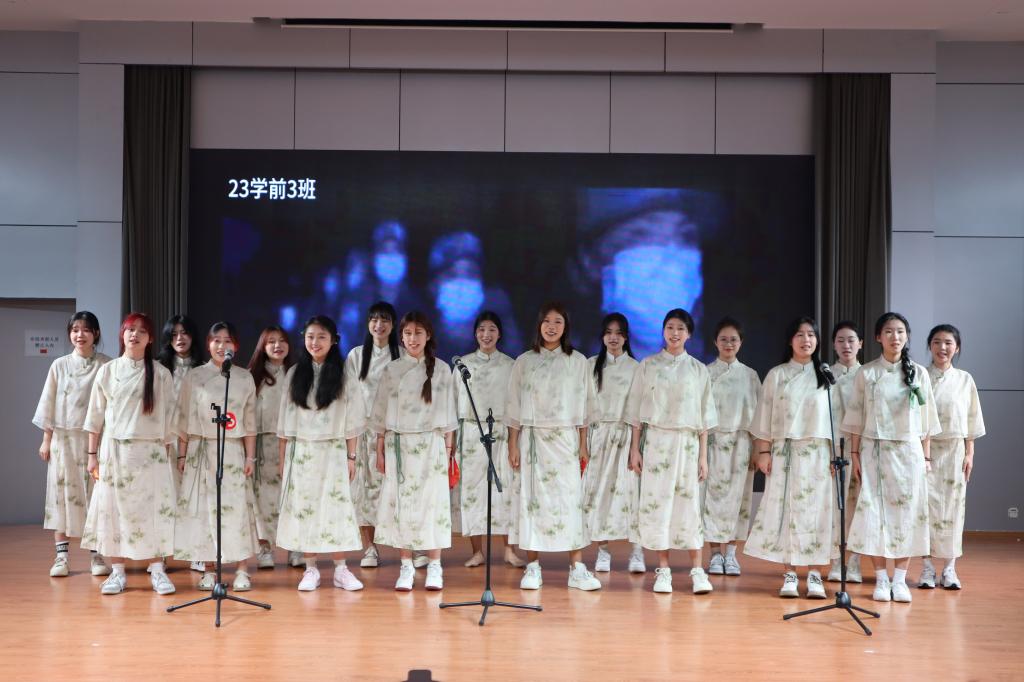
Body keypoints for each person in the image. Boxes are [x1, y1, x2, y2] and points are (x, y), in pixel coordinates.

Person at [844, 312, 940, 603]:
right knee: (874, 515)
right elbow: (856, 418)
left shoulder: (919, 373)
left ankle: (899, 579)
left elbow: (927, 423)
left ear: (907, 336)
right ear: (878, 337)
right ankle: (881, 578)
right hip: (874, 451)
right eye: (888, 331)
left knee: (906, 515)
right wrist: (855, 454)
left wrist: (926, 458)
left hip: (908, 453)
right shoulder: (867, 373)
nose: (894, 337)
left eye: (900, 331)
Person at [507, 303, 602, 592]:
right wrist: (513, 443)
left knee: (570, 502)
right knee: (532, 501)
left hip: (565, 440)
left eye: (558, 321)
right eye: (547, 321)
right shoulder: (524, 361)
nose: (551, 327)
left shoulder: (578, 361)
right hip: (533, 440)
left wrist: (583, 444)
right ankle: (533, 566)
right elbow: (513, 406)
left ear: (565, 327)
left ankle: (577, 568)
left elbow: (586, 406)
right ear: (539, 325)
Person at [80, 313, 177, 595]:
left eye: (142, 331)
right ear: (122, 334)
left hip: (152, 452)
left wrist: (167, 455)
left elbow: (171, 418)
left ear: (150, 339)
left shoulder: (161, 374)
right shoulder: (108, 371)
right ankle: (118, 572)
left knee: (155, 510)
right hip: (115, 451)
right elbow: (95, 417)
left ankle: (158, 570)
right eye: (130, 330)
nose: (135, 335)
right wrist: (92, 454)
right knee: (113, 510)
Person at [744, 317, 837, 599]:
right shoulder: (777, 375)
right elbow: (763, 415)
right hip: (785, 451)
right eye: (799, 334)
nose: (806, 340)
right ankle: (790, 574)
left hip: (818, 453)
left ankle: (815, 574)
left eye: (811, 335)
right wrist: (763, 451)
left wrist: (835, 456)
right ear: (790, 340)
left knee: (818, 512)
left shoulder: (826, 375)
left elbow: (836, 419)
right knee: (786, 511)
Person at [626, 308, 717, 594]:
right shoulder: (648, 365)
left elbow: (704, 417)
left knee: (689, 507)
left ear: (689, 334)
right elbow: (635, 413)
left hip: (687, 445)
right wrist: (635, 449)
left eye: (680, 328)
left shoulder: (698, 370)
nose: (674, 333)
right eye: (670, 327)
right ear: (663, 331)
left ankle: (697, 571)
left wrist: (703, 457)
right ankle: (663, 570)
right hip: (656, 443)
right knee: (658, 505)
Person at [277, 316, 365, 591]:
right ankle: (310, 568)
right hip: (302, 451)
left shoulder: (344, 373)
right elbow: (284, 422)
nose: (315, 342)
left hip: (333, 451)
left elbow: (353, 420)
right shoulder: (294, 373)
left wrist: (352, 457)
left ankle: (341, 569)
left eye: (322, 337)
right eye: (310, 336)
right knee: (305, 508)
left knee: (336, 508)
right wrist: (283, 460)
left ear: (334, 340)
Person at [372, 312, 457, 591]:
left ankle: (435, 565)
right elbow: (380, 413)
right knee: (403, 505)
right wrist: (380, 451)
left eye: (418, 333)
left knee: (432, 505)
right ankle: (406, 565)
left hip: (431, 445)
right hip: (399, 445)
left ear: (428, 335)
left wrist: (448, 451)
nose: (412, 339)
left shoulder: (442, 369)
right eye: (407, 333)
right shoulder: (392, 369)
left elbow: (449, 416)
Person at [173, 322, 259, 592]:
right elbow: (183, 418)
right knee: (203, 511)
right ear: (208, 344)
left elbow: (250, 422)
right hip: (200, 449)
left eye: (228, 340)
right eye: (216, 340)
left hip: (232, 449)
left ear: (236, 345)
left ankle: (242, 569)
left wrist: (250, 458)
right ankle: (209, 569)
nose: (222, 346)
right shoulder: (195, 376)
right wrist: (182, 456)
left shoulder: (244, 377)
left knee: (236, 508)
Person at [32, 311, 112, 578]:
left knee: (96, 497)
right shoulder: (59, 365)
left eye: (86, 330)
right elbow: (49, 403)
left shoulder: (106, 365)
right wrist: (46, 440)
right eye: (75, 330)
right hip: (64, 440)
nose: (80, 335)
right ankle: (61, 558)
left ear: (96, 334)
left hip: (96, 441)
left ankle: (97, 555)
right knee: (61, 497)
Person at [451, 311, 526, 568]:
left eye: (492, 329)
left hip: (501, 435)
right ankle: (477, 551)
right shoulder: (463, 365)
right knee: (473, 491)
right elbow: (453, 405)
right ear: (475, 333)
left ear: (499, 334)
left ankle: (509, 550)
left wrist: (514, 442)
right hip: (472, 435)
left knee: (504, 491)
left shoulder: (510, 365)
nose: (486, 334)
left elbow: (516, 405)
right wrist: (453, 443)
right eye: (482, 329)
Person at [917, 324, 985, 590]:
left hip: (955, 451)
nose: (942, 347)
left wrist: (970, 454)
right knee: (924, 509)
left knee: (954, 509)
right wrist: (922, 454)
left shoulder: (965, 380)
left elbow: (972, 419)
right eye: (936, 342)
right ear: (929, 346)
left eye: (948, 342)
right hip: (924, 451)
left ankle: (949, 569)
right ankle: (926, 568)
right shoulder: (921, 376)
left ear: (957, 348)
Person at [583, 313, 644, 574]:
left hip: (626, 437)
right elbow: (583, 406)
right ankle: (603, 550)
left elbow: (638, 410)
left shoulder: (636, 367)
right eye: (608, 332)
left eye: (618, 333)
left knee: (632, 494)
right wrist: (584, 444)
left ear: (626, 337)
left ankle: (637, 551)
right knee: (600, 493)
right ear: (602, 336)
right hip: (598, 437)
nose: (613, 338)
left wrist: (635, 448)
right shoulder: (590, 365)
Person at [345, 301, 403, 569]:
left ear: (393, 325)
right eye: (374, 320)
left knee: (398, 489)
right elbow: (348, 395)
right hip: (363, 431)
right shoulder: (357, 355)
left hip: (393, 432)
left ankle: (409, 546)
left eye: (385, 320)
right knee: (363, 490)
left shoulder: (402, 355)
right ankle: (369, 547)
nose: (379, 325)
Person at [702, 317, 760, 577]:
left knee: (740, 500)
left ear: (741, 342)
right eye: (723, 339)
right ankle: (715, 553)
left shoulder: (750, 375)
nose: (728, 344)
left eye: (733, 339)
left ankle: (732, 555)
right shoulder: (706, 373)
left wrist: (758, 449)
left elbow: (758, 417)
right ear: (715, 342)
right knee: (712, 500)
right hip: (713, 444)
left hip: (741, 444)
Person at [246, 326, 293, 569]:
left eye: (282, 341)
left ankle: (296, 548)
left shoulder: (297, 373)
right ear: (262, 347)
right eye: (271, 341)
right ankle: (265, 548)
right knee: (262, 499)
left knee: (292, 497)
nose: (277, 346)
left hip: (292, 443)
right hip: (262, 444)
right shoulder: (252, 376)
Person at [828, 321, 865, 583]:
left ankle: (854, 562)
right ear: (833, 344)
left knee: (858, 505)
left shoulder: (868, 375)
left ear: (860, 343)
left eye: (851, 340)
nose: (846, 345)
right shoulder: (824, 375)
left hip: (862, 449)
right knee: (834, 506)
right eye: (840, 340)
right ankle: (834, 561)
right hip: (833, 448)